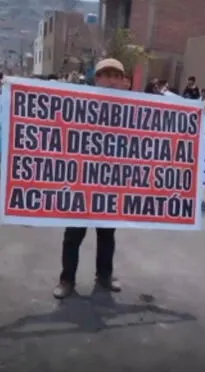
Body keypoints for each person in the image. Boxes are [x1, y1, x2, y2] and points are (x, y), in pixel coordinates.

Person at [53, 58, 126, 299]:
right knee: (73, 235)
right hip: (80, 182)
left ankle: (104, 275)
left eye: (117, 76)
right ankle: (67, 279)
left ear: (124, 82)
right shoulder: (77, 101)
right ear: (97, 78)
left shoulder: (136, 107)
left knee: (107, 235)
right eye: (106, 75)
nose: (111, 80)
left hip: (111, 182)